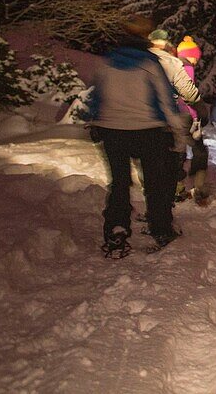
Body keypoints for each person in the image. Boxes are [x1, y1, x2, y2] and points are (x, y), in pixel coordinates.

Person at [88, 16, 187, 257]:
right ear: (146, 36)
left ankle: (117, 229)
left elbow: (96, 97)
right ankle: (161, 228)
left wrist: (94, 122)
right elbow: (165, 101)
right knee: (156, 182)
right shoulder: (150, 63)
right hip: (148, 131)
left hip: (112, 131)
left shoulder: (107, 61)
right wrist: (178, 133)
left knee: (119, 182)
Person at [147, 30, 201, 203]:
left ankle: (162, 190)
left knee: (159, 156)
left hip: (151, 116)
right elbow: (188, 94)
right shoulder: (181, 66)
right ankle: (174, 190)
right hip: (175, 116)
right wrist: (196, 115)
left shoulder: (147, 61)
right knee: (176, 154)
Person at [176, 36, 210, 204]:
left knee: (179, 151)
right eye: (195, 56)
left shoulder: (174, 65)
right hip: (185, 116)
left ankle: (177, 188)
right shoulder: (187, 67)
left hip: (173, 115)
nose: (196, 60)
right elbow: (188, 95)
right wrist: (197, 116)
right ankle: (199, 188)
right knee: (200, 150)